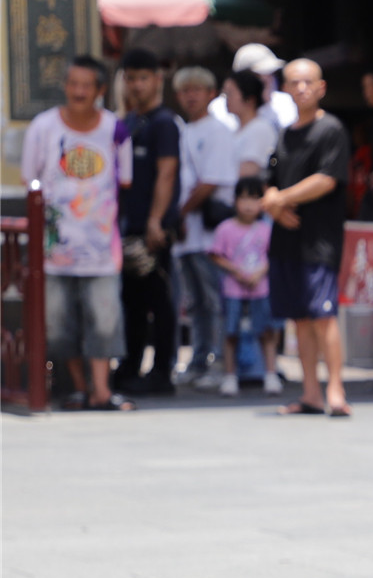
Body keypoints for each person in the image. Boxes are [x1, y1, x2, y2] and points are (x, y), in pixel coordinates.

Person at [23, 56, 135, 410]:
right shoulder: (43, 128)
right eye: (73, 84)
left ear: (100, 90)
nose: (79, 92)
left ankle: (102, 390)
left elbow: (126, 180)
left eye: (87, 85)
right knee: (58, 324)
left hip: (101, 247)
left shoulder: (115, 129)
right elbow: (30, 180)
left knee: (105, 319)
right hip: (53, 249)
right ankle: (77, 388)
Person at [260, 58, 352, 417]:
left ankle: (336, 390)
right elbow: (270, 177)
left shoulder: (331, 130)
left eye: (308, 82)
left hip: (319, 240)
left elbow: (326, 179)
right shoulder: (284, 134)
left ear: (321, 87)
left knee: (323, 315)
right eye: (294, 83)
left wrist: (281, 199)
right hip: (286, 240)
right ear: (285, 88)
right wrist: (273, 204)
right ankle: (311, 393)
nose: (301, 88)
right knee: (299, 318)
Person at [114, 46, 181, 396]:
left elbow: (167, 173)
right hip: (128, 228)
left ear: (157, 80)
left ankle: (162, 371)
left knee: (160, 302)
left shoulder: (164, 123)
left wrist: (156, 220)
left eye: (143, 78)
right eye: (131, 78)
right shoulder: (127, 122)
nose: (137, 85)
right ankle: (131, 366)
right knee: (133, 302)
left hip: (154, 229)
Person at [171, 66, 240, 390]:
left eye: (197, 89)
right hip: (188, 236)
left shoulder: (218, 131)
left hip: (211, 235)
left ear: (211, 94)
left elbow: (211, 181)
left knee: (216, 300)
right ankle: (199, 360)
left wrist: (179, 214)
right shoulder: (184, 130)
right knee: (196, 303)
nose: (191, 96)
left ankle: (222, 363)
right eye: (185, 90)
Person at [207, 178, 284, 397]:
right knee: (230, 332)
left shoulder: (266, 229)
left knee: (266, 331)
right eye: (243, 199)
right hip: (233, 289)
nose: (248, 205)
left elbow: (273, 256)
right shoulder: (225, 229)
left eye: (254, 199)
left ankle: (271, 374)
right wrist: (236, 271)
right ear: (234, 201)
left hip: (261, 288)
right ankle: (230, 376)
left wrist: (259, 273)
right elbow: (215, 254)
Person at [210, 43, 297, 129]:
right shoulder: (219, 109)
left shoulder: (285, 102)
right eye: (260, 74)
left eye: (271, 73)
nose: (268, 79)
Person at [224, 69, 280, 180]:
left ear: (249, 99)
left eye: (231, 93)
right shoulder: (235, 130)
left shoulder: (260, 129)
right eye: (225, 93)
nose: (227, 99)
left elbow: (249, 170)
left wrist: (213, 178)